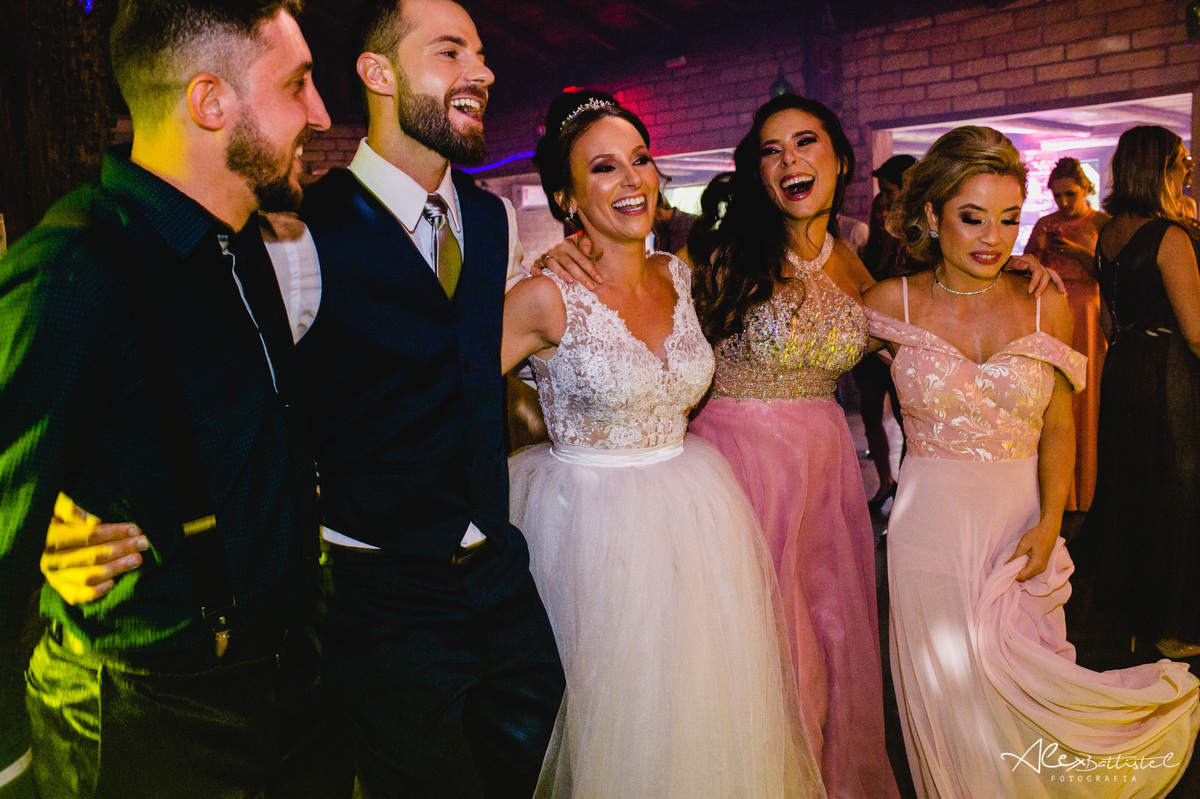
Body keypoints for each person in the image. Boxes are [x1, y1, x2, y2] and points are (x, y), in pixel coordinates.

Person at [41, 1, 566, 796]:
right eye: (451, 51)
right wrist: (62, 506)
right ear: (379, 73)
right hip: (377, 600)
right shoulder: (293, 234)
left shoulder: (493, 221)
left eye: (482, 52)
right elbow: (186, 400)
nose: (483, 72)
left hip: (498, 582)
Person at [0, 1, 354, 797]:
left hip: (297, 695)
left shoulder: (243, 237)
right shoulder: (74, 272)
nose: (321, 114)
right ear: (210, 102)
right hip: (149, 723)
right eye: (296, 85)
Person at [503, 91, 823, 798]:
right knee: (614, 724)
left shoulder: (678, 273)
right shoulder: (544, 295)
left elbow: (786, 244)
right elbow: (448, 393)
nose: (632, 180)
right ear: (566, 197)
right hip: (589, 532)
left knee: (700, 712)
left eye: (641, 159)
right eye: (604, 168)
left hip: (695, 520)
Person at [863, 125, 1200, 798]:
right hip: (929, 536)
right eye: (972, 218)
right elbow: (803, 365)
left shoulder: (1044, 301)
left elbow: (1058, 424)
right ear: (932, 214)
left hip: (1021, 529)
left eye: (1009, 218)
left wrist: (1051, 522)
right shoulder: (886, 303)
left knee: (1031, 702)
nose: (993, 238)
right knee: (954, 706)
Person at [688, 94, 900, 799]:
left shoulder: (857, 269)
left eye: (805, 142)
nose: (789, 161)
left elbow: (930, 325)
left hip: (824, 471)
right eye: (771, 150)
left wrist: (1015, 278)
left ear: (841, 160)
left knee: (826, 637)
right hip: (738, 466)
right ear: (758, 172)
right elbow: (646, 303)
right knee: (757, 644)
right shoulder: (724, 253)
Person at [1080, 126, 1200, 661]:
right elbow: (1196, 331)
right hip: (1171, 372)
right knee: (1179, 496)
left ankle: (1134, 618)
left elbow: (1109, 323)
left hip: (1125, 368)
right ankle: (1173, 626)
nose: (1188, 167)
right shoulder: (1167, 235)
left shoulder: (1108, 233)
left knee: (1133, 491)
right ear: (1158, 167)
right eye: (1180, 160)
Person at [1024, 157, 1108, 512]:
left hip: (1089, 314)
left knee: (1089, 398)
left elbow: (1114, 271)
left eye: (1069, 194)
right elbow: (1024, 267)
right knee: (1056, 399)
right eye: (1057, 196)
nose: (1063, 202)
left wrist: (1080, 254)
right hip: (1054, 313)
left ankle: (1090, 489)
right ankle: (1060, 492)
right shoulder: (1046, 224)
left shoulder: (1102, 223)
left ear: (1086, 189)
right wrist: (1040, 250)